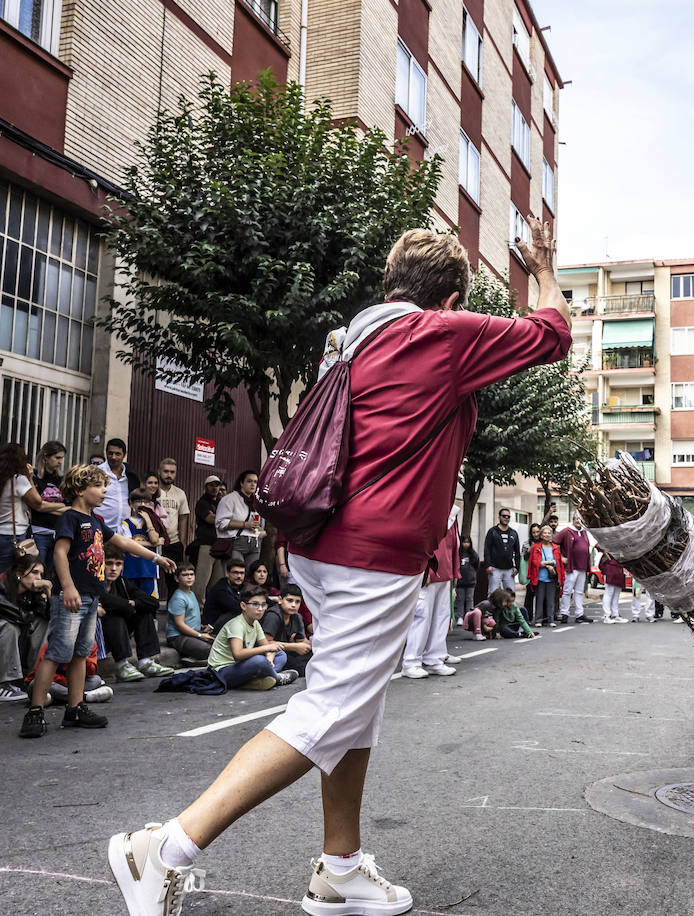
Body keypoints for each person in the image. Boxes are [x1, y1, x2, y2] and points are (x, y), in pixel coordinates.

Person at [107, 221, 571, 916]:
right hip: (374, 555)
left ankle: (341, 868)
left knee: (356, 708)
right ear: (447, 298)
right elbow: (551, 335)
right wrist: (542, 269)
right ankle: (166, 847)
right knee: (330, 710)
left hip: (326, 545)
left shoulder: (350, 338)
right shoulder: (436, 334)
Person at [21, 464, 175, 739]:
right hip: (72, 597)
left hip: (92, 597)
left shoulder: (96, 522)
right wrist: (67, 587)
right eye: (99, 486)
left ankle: (75, 708)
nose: (105, 491)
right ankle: (35, 711)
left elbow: (124, 543)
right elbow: (59, 554)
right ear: (80, 490)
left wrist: (156, 557)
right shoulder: (70, 518)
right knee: (57, 653)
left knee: (81, 653)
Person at [0, 554, 51, 703]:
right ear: (19, 574)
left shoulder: (31, 595)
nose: (39, 578)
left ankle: (34, 677)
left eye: (41, 574)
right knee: (8, 626)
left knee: (43, 622)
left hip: (13, 654)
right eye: (34, 572)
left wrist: (47, 595)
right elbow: (22, 617)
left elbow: (49, 616)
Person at [0, 442, 67, 582]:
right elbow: (37, 502)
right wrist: (29, 478)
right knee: (7, 583)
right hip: (10, 538)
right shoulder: (18, 479)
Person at [100, 546, 174, 683]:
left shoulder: (121, 582)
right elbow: (106, 600)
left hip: (120, 632)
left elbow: (153, 603)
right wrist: (127, 606)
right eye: (109, 563)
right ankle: (122, 665)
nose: (113, 569)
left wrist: (132, 604)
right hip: (99, 636)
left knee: (144, 612)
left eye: (118, 564)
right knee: (115, 617)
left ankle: (145, 662)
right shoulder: (96, 584)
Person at [206, 585, 299, 689]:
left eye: (263, 605)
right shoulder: (237, 625)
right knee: (259, 660)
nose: (260, 609)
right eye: (255, 604)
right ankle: (277, 678)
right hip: (221, 671)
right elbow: (238, 654)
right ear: (243, 606)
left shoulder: (255, 623)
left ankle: (257, 680)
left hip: (241, 667)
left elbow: (267, 648)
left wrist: (269, 659)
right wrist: (266, 650)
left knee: (281, 654)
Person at [401, 514, 459, 679]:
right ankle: (411, 662)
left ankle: (435, 658)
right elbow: (419, 539)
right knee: (422, 617)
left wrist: (455, 571)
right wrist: (423, 567)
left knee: (441, 617)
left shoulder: (452, 513)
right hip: (429, 572)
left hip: (446, 572)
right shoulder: (431, 506)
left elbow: (454, 545)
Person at [29, 441, 69, 568]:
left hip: (57, 534)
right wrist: (60, 506)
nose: (60, 462)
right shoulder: (34, 477)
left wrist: (43, 506)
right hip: (38, 533)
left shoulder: (62, 480)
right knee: (35, 571)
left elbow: (69, 508)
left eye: (62, 458)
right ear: (46, 456)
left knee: (52, 574)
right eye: (57, 458)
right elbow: (35, 506)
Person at [260, 584, 312, 676]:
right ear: (280, 600)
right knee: (303, 667)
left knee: (314, 658)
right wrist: (295, 647)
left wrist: (314, 647)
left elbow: (302, 640)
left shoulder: (297, 616)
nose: (293, 605)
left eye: (297, 602)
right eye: (289, 600)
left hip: (288, 652)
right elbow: (266, 643)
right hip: (272, 654)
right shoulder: (273, 615)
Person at [119, 488, 163, 597]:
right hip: (130, 570)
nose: (142, 505)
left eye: (146, 502)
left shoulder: (154, 522)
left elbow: (154, 539)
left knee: (149, 602)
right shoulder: (126, 523)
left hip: (149, 570)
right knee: (130, 601)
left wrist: (148, 521)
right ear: (131, 503)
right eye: (138, 501)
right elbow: (127, 543)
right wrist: (151, 544)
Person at [156, 458, 192, 590]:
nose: (169, 475)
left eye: (172, 472)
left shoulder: (180, 493)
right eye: (166, 471)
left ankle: (173, 610)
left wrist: (181, 543)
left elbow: (183, 518)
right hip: (153, 542)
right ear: (159, 472)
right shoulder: (153, 490)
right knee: (151, 579)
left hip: (173, 543)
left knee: (173, 582)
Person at [216, 470, 264, 569]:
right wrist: (245, 525)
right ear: (241, 483)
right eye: (249, 481)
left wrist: (261, 531)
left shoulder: (256, 502)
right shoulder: (230, 499)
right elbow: (221, 523)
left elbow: (257, 524)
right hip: (236, 542)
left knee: (251, 578)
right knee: (236, 574)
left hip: (254, 543)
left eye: (255, 482)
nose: (253, 484)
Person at [166, 566, 213, 663]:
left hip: (192, 635)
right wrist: (200, 635)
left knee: (223, 642)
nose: (189, 577)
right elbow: (180, 625)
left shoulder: (191, 593)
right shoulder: (178, 598)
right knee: (209, 649)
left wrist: (202, 627)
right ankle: (194, 660)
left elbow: (189, 618)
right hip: (177, 637)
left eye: (191, 574)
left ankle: (194, 658)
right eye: (185, 575)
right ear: (176, 578)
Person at [554, 514, 592, 623]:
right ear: (573, 520)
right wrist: (561, 557)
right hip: (571, 566)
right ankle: (564, 613)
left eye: (581, 520)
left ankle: (579, 614)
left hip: (582, 567)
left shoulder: (584, 532)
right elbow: (554, 543)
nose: (578, 522)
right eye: (577, 519)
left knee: (579, 592)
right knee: (567, 591)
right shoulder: (566, 531)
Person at [192, 475, 224, 600]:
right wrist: (226, 518)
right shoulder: (202, 503)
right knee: (201, 582)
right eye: (211, 485)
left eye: (217, 485)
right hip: (206, 545)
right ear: (205, 487)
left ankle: (210, 612)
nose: (214, 488)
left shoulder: (220, 503)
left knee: (216, 583)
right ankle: (197, 611)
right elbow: (210, 519)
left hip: (219, 546)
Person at [528, 525, 564, 628]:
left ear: (552, 535)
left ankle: (550, 620)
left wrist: (547, 564)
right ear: (541, 535)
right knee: (539, 599)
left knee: (551, 600)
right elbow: (535, 562)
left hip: (552, 578)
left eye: (549, 533)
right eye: (545, 533)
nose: (547, 535)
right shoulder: (536, 547)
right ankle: (538, 620)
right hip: (539, 577)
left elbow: (558, 562)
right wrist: (549, 565)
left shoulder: (556, 547)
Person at [483, 509, 521, 593]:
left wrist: (517, 567)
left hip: (509, 569)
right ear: (499, 517)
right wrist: (488, 565)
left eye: (508, 516)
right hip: (494, 568)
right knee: (493, 593)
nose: (506, 518)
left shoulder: (513, 533)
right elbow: (487, 549)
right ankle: (493, 607)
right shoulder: (492, 532)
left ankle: (508, 607)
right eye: (504, 516)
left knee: (510, 594)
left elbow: (517, 551)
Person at [203, 560, 247, 630]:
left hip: (228, 624)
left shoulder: (242, 585)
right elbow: (237, 608)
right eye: (235, 573)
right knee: (242, 611)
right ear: (227, 573)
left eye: (242, 573)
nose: (239, 576)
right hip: (213, 626)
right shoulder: (220, 589)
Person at [456, 535, 479, 624]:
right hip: (460, 581)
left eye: (468, 542)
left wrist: (472, 575)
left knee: (470, 599)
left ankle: (469, 616)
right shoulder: (458, 554)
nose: (466, 544)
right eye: (464, 542)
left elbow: (477, 566)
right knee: (460, 599)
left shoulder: (473, 554)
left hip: (470, 581)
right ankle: (460, 617)